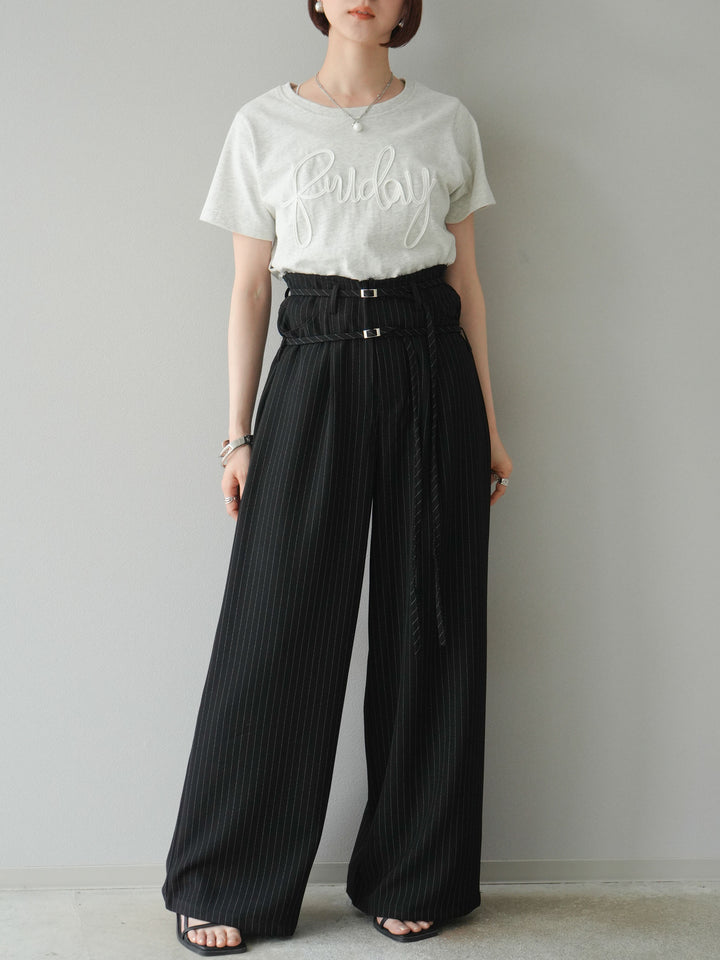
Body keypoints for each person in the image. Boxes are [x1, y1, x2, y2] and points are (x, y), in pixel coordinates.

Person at [162, 0, 512, 953]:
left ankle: (415, 870)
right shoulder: (262, 123)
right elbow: (248, 289)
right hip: (313, 367)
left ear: (407, 7)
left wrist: (489, 423)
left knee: (430, 625)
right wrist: (236, 436)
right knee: (277, 627)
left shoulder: (446, 121)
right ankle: (229, 880)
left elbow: (467, 286)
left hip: (430, 369)